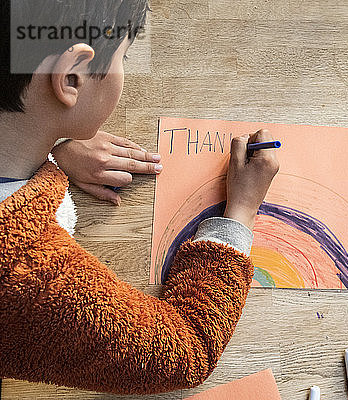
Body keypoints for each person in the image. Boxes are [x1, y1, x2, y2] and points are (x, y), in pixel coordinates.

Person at [0, 0, 279, 394]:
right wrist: (241, 212)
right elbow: (185, 351)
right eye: (124, 57)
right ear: (73, 78)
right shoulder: (28, 277)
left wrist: (53, 142)